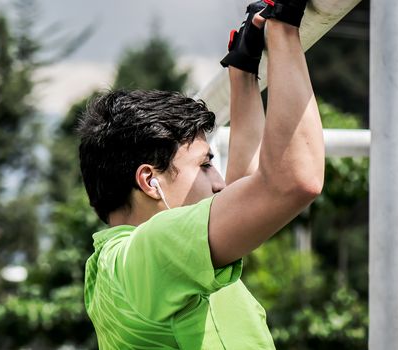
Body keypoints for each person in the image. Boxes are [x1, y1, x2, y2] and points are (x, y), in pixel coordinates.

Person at [78, 0, 324, 348]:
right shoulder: (149, 253)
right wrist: (283, 26)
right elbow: (294, 180)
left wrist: (242, 72)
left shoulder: (125, 268)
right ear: (150, 181)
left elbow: (246, 197)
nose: (220, 182)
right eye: (205, 165)